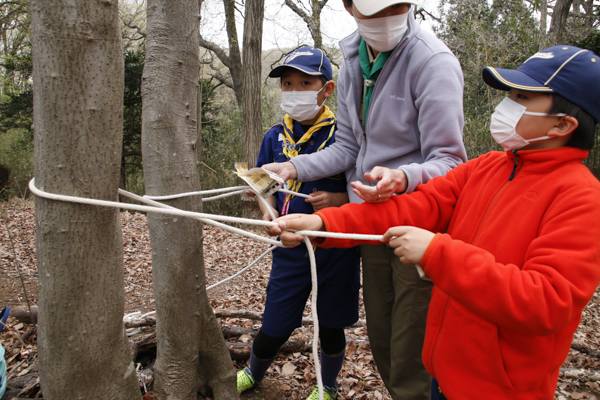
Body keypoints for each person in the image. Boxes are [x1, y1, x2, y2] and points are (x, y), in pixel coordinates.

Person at [273, 45, 600, 399]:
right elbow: (414, 207)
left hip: (502, 389)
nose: (506, 105)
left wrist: (437, 252)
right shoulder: (486, 167)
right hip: (442, 371)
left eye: (522, 97)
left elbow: (546, 303)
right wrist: (323, 224)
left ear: (563, 124)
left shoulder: (582, 198)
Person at [261, 1, 467, 398]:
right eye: (373, 7)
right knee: (384, 336)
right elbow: (348, 147)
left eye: (397, 5)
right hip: (371, 221)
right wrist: (294, 168)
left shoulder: (432, 62)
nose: (386, 15)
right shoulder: (354, 58)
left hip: (420, 221)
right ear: (350, 6)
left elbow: (451, 161)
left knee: (413, 344)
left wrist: (404, 176)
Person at [236, 46, 361, 400]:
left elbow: (363, 191)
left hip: (337, 247)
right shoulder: (274, 136)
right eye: (287, 84)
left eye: (305, 82)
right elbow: (264, 185)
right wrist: (267, 209)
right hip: (289, 247)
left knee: (332, 324)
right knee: (274, 324)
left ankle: (328, 387)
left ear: (327, 89)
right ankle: (251, 373)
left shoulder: (344, 135)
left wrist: (337, 200)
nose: (294, 91)